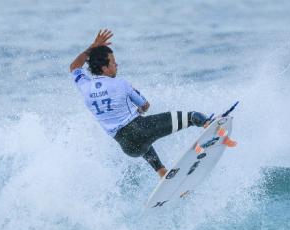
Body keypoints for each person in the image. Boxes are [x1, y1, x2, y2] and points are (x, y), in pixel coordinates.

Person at [69, 29, 236, 178]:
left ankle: (161, 172)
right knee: (190, 117)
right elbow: (145, 105)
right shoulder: (120, 83)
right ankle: (208, 123)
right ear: (105, 68)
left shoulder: (84, 86)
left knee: (143, 142)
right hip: (138, 129)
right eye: (113, 63)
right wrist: (140, 107)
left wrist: (92, 47)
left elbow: (74, 66)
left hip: (127, 146)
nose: (116, 65)